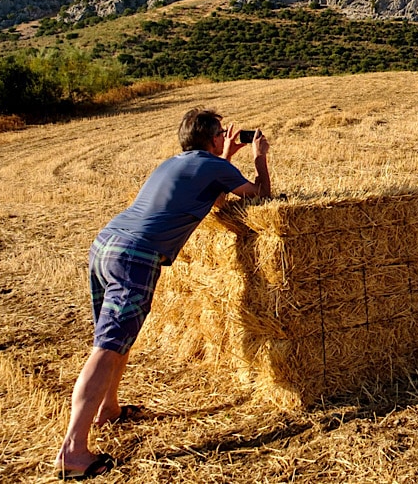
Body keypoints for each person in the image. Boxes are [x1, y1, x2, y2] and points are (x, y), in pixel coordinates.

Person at [54, 108, 272, 479]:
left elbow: (215, 198)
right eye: (222, 132)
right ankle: (73, 451)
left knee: (115, 339)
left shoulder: (174, 163)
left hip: (105, 244)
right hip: (136, 255)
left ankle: (108, 409)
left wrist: (227, 159)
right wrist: (260, 158)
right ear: (214, 137)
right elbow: (262, 196)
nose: (226, 136)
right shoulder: (214, 167)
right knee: (107, 348)